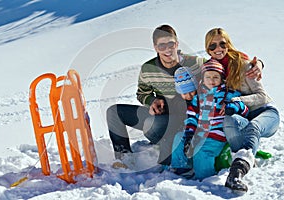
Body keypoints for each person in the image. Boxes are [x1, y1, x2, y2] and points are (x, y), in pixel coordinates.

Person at [106, 24, 263, 168]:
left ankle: (172, 149)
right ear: (155, 47)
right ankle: (124, 157)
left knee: (154, 126)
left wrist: (257, 64)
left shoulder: (196, 63)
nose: (167, 49)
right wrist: (152, 101)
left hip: (184, 117)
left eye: (171, 44)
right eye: (162, 45)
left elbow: (222, 65)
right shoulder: (148, 69)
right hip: (161, 112)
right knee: (114, 112)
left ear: (177, 43)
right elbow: (142, 92)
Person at [204, 28, 280, 192]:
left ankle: (237, 172)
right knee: (228, 120)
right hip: (241, 116)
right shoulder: (211, 69)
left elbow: (262, 96)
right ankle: (243, 159)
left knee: (253, 127)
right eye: (212, 46)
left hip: (265, 113)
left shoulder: (244, 64)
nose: (218, 48)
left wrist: (236, 100)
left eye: (222, 43)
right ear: (207, 49)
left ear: (228, 44)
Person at [171, 59, 249, 180]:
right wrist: (189, 134)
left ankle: (205, 177)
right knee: (178, 137)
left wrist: (233, 106)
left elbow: (244, 109)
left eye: (215, 77)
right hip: (199, 132)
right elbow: (192, 117)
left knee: (202, 151)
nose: (211, 80)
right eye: (208, 77)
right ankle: (182, 168)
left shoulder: (229, 94)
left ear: (221, 78)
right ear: (203, 79)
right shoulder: (198, 97)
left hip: (216, 134)